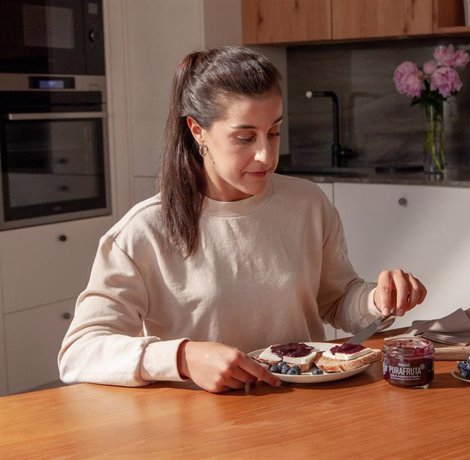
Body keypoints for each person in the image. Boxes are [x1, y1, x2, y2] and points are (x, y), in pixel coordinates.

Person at [58, 46, 427, 394]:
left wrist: (378, 299)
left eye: (274, 132)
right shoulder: (145, 231)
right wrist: (183, 357)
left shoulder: (307, 203)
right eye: (244, 137)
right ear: (197, 131)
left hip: (303, 411)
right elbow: (80, 351)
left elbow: (337, 301)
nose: (265, 155)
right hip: (199, 426)